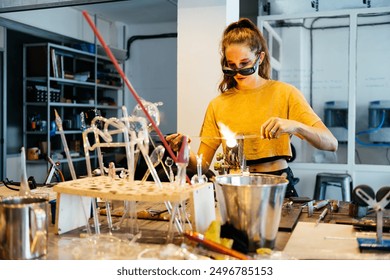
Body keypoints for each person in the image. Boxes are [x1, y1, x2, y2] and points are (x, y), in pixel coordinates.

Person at [167, 18, 338, 197]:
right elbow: (202, 165)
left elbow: (331, 143)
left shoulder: (285, 93)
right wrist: (183, 151)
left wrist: (295, 125)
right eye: (231, 66)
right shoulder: (218, 104)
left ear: (260, 57)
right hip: (234, 188)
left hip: (276, 185)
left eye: (245, 64)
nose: (238, 72)